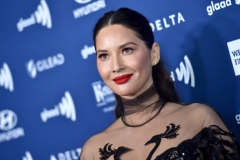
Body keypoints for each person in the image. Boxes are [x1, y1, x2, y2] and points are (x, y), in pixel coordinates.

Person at [80, 8, 240, 160]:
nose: (116, 66)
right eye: (104, 55)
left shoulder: (199, 119)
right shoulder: (93, 151)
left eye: (126, 50)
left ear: (154, 53)